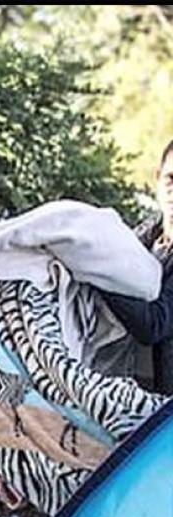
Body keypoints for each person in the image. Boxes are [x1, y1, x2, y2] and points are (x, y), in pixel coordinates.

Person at [102, 139, 173, 394]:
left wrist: (97, 274)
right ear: (157, 180)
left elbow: (154, 324)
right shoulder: (143, 237)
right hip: (129, 393)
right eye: (170, 180)